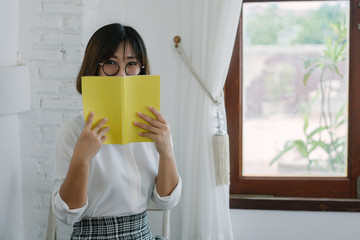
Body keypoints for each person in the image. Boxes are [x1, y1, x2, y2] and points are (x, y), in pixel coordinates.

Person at [51, 23, 181, 240]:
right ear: (94, 68)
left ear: (141, 69)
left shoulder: (153, 129)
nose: (122, 75)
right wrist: (81, 160)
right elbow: (66, 215)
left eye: (131, 64)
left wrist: (166, 151)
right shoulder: (74, 131)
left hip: (142, 234)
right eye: (111, 63)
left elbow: (167, 201)